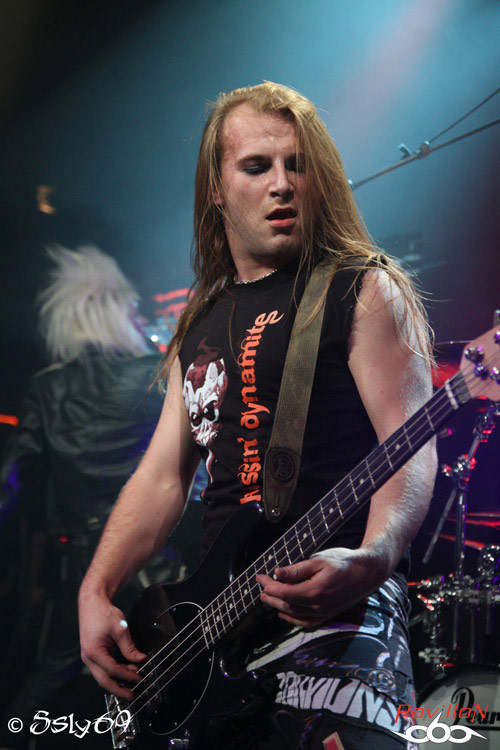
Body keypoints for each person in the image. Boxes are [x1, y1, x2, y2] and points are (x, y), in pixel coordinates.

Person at [78, 83, 437, 749]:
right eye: (256, 166)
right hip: (215, 629)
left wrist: (373, 557)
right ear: (217, 189)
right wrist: (95, 591)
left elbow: (409, 445)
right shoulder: (203, 319)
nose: (282, 184)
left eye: (297, 165)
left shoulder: (362, 288)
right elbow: (163, 476)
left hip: (338, 608)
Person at [0, 246, 168, 749]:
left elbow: (10, 481)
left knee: (53, 675)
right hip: (157, 556)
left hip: (83, 564)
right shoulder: (156, 371)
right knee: (175, 671)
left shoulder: (48, 387)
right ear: (119, 309)